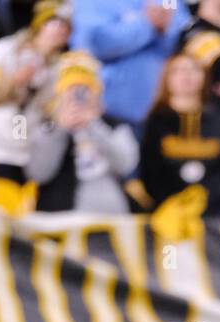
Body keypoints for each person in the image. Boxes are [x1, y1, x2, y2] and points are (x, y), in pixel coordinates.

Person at [0, 0, 70, 212]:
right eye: (54, 22)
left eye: (66, 26)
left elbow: (49, 114)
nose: (60, 30)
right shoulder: (4, 50)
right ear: (40, 24)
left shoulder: (57, 70)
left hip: (23, 155)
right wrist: (14, 81)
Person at [135, 49, 220, 224]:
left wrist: (217, 209)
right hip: (165, 217)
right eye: (178, 71)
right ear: (166, 78)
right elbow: (146, 171)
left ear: (204, 77)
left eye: (193, 70)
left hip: (215, 219)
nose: (186, 77)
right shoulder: (154, 122)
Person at [27, 49, 139, 212]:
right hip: (58, 216)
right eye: (71, 89)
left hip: (109, 214)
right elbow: (37, 174)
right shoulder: (45, 125)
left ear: (97, 91)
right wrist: (60, 130)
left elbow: (126, 165)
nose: (78, 95)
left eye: (85, 88)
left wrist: (94, 126)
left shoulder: (114, 123)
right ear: (60, 93)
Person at [70, 0, 190, 138]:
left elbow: (182, 38)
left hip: (160, 117)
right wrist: (146, 24)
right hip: (102, 116)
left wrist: (164, 29)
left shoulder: (168, 1)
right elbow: (96, 43)